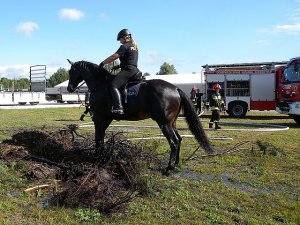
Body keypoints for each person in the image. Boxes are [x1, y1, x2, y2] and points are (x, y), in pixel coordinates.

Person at [98, 29, 139, 115]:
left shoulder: (125, 46)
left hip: (128, 70)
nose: (120, 41)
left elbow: (114, 56)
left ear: (124, 37)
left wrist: (103, 62)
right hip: (134, 70)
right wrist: (117, 66)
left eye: (120, 39)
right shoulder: (134, 47)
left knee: (113, 85)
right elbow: (130, 60)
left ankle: (119, 107)